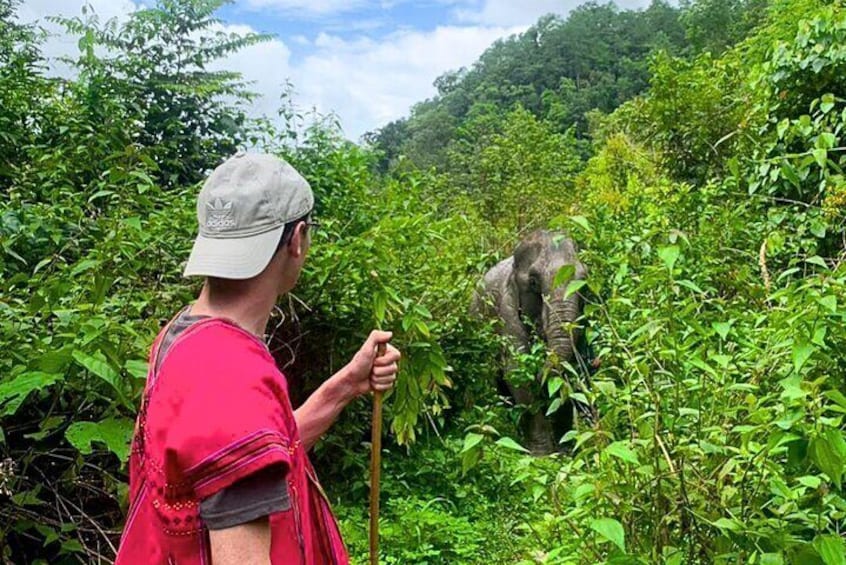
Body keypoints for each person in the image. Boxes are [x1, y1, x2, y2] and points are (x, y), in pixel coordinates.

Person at [115, 152, 401, 565]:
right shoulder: (231, 377)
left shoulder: (184, 337)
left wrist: (346, 387)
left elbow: (254, 452)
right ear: (298, 239)